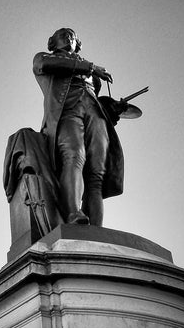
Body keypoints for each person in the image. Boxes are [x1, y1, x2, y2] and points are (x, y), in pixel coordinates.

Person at [32, 28, 123, 226]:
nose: (69, 37)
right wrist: (90, 67)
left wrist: (114, 108)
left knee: (97, 172)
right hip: (67, 112)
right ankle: (73, 213)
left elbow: (94, 97)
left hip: (94, 115)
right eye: (63, 34)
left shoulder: (92, 75)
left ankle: (96, 227)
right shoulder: (44, 58)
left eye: (72, 36)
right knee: (74, 155)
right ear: (52, 42)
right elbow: (46, 64)